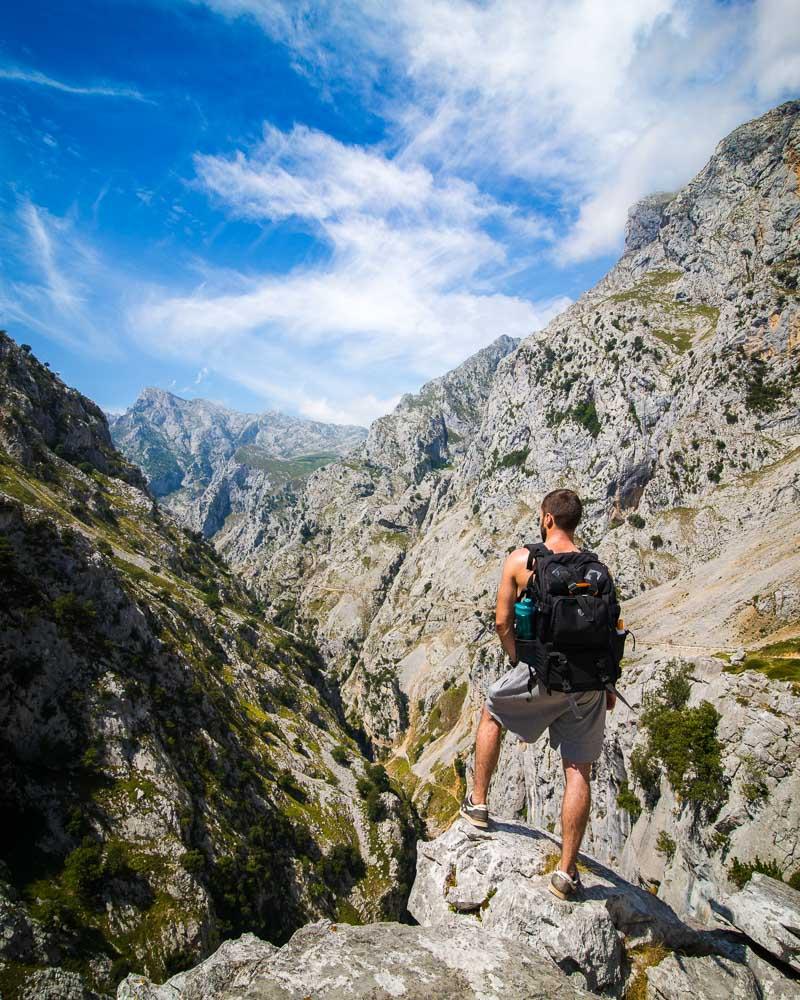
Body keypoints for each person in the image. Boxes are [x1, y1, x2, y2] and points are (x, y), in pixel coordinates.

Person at [460, 488, 619, 902]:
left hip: (543, 674)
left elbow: (501, 621)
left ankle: (478, 804)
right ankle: (566, 873)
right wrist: (609, 685)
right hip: (589, 683)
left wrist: (521, 657)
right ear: (575, 521)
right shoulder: (598, 569)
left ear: (548, 518)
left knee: (492, 710)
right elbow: (612, 631)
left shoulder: (523, 560)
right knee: (578, 769)